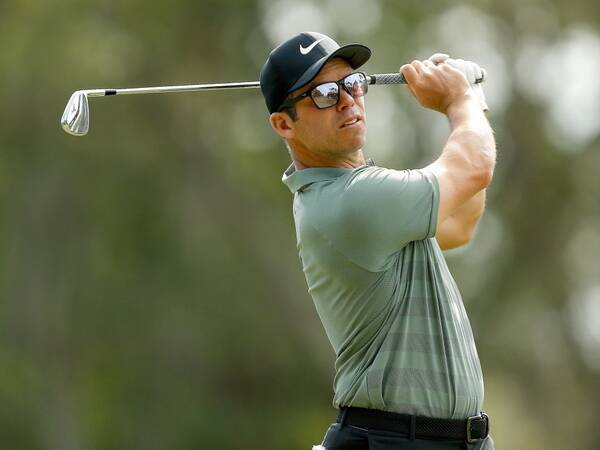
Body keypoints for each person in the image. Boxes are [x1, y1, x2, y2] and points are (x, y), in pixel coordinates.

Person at [259, 32, 496, 450]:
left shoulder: (361, 197)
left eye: (352, 84)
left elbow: (461, 223)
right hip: (393, 439)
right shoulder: (349, 200)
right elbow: (474, 167)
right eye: (324, 94)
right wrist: (460, 99)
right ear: (284, 124)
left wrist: (470, 98)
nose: (347, 101)